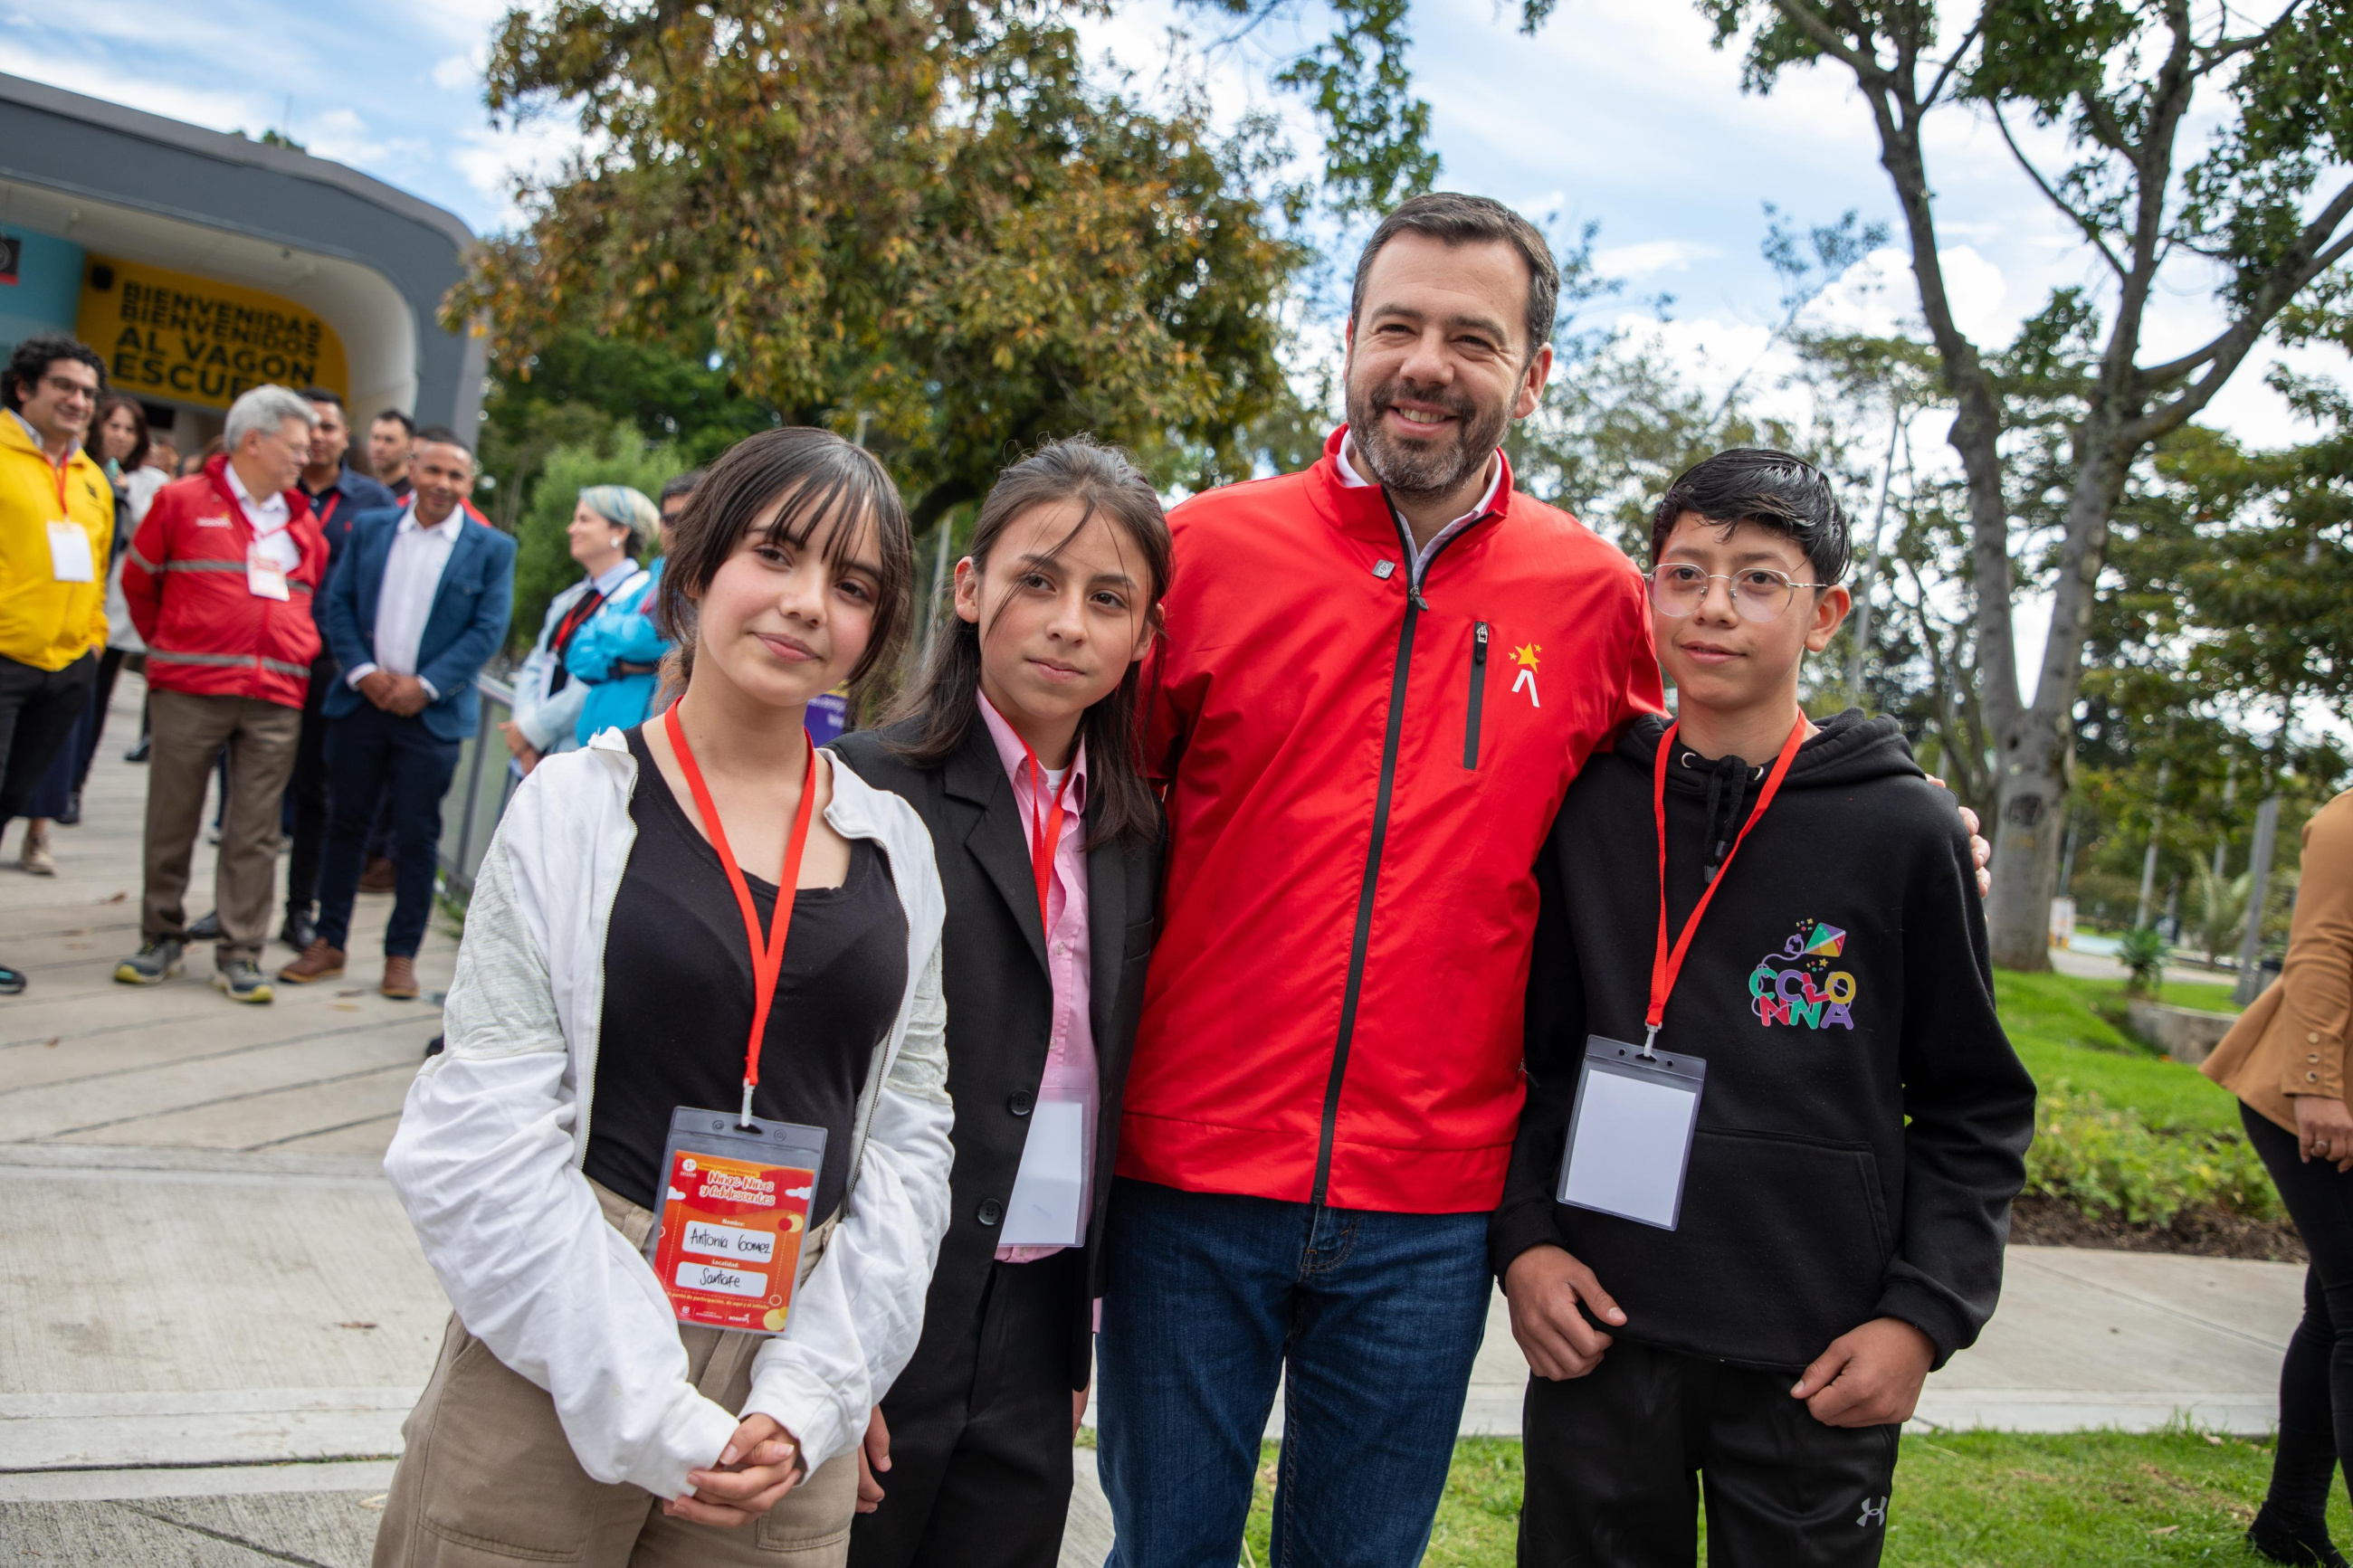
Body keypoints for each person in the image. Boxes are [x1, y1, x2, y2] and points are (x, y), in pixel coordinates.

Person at [371, 426, 946, 1568]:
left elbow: (911, 1132)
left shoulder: (894, 847)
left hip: (796, 1367)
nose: (802, 602)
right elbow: (474, 1134)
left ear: (874, 629)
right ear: (696, 573)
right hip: (563, 1334)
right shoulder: (573, 809)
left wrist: (815, 1392)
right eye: (774, 554)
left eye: (850, 583)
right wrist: (656, 1408)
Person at [1491, 450, 2034, 1567]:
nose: (1712, 608)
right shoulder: (1588, 804)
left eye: (1757, 579)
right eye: (1683, 574)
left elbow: (1974, 1106)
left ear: (1824, 612)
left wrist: (1919, 1317)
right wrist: (1527, 1243)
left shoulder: (1904, 835)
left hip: (1815, 1352)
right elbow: (1529, 1059)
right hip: (1602, 1333)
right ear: (1648, 594)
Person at [836, 437, 1168, 1568]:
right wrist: (834, 1349)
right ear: (970, 589)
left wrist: (1073, 1331)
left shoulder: (1134, 831)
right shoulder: (872, 793)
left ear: (1141, 639)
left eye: (1107, 598)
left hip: (1038, 1305)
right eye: (1038, 579)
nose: (1069, 622)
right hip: (892, 1289)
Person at [278, 427, 514, 1001]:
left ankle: (401, 954)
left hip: (429, 716)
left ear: (468, 482)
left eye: (456, 475)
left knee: (416, 836)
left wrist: (426, 686)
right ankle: (328, 940)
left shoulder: (492, 548)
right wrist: (363, 673)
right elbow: (338, 603)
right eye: (433, 470)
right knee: (344, 824)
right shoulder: (374, 527)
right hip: (362, 703)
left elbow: (488, 629)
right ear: (412, 469)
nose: (443, 484)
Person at [110, 386, 327, 1003]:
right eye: (295, 444)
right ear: (252, 441)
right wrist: (171, 650)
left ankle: (241, 951)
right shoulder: (181, 501)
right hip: (190, 687)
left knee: (255, 830)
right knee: (172, 816)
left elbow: (306, 591)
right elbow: (139, 582)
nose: (304, 457)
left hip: (277, 694)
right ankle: (161, 936)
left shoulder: (300, 518)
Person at [2204, 791, 2353, 1568]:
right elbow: (2323, 948)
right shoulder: (2348, 818)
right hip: (2314, 1097)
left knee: (2335, 1312)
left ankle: (2288, 1520)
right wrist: (2321, 1084)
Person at [0, 333, 111, 996]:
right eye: (65, 387)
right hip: (3, 658)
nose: (78, 401)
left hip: (65, 668)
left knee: (11, 802)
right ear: (25, 389)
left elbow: (97, 571)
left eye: (88, 393)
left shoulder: (92, 477)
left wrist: (93, 643)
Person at [276, 388, 397, 953]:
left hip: (331, 668)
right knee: (250, 798)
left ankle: (302, 910)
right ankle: (234, 908)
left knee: (317, 795)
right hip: (266, 662)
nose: (319, 437)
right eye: (309, 428)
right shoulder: (272, 491)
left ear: (345, 436)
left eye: (329, 427)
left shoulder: (373, 503)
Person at [504, 485, 661, 774]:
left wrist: (536, 730)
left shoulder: (638, 597)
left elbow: (589, 681)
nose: (571, 529)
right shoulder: (571, 598)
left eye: (584, 520)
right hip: (535, 754)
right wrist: (525, 731)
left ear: (620, 532)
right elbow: (538, 662)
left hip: (580, 754)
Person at [565, 487, 681, 745]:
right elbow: (576, 652)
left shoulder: (691, 591)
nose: (680, 528)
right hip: (595, 747)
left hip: (636, 756)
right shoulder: (647, 584)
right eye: (670, 520)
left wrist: (602, 630)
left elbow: (648, 638)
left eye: (693, 517)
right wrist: (621, 665)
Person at [367, 409, 415, 500]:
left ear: (409, 446)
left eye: (389, 440)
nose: (379, 447)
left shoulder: (413, 497)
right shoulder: (364, 493)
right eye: (375, 438)